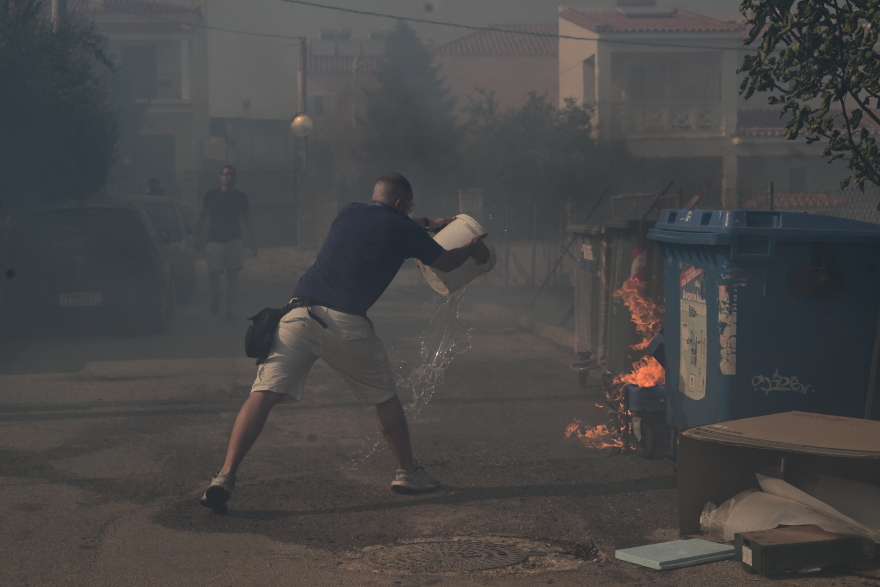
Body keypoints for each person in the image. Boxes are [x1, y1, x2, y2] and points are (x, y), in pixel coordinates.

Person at [200, 172, 490, 513]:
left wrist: (426, 222)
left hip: (296, 315)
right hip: (345, 323)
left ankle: (224, 476)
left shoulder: (350, 211)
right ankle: (408, 472)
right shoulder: (404, 230)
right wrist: (472, 249)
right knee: (385, 397)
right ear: (401, 204)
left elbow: (391, 222)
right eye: (409, 207)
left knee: (261, 395)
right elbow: (445, 261)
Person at [193, 165, 258, 319]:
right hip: (214, 241)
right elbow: (201, 216)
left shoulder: (241, 197)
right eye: (226, 174)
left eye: (232, 175)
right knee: (213, 274)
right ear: (220, 176)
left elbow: (248, 219)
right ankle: (217, 294)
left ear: (235, 177)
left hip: (234, 240)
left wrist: (254, 241)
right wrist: (195, 235)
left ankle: (229, 309)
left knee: (232, 275)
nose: (229, 177)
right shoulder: (211, 195)